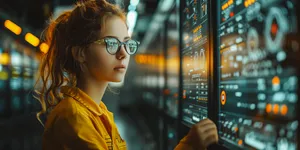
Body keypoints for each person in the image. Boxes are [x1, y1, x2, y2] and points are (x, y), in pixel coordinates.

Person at [35, 0, 219, 149]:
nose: (123, 53)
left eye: (126, 44)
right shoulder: (73, 118)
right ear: (80, 53)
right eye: (111, 43)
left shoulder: (100, 113)